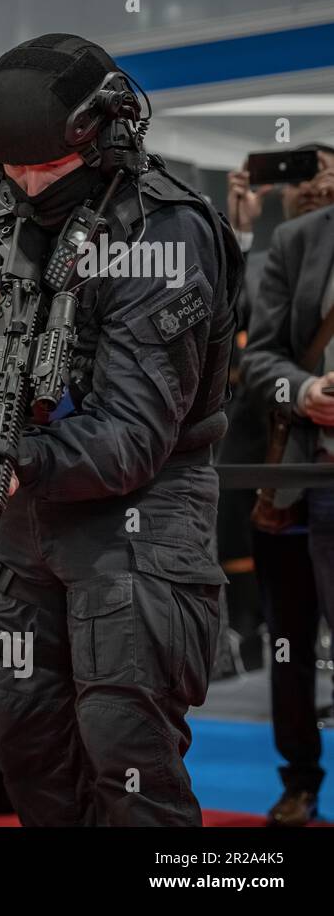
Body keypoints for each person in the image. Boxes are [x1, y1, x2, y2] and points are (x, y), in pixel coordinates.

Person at [0, 33, 242, 826]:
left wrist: (9, 455)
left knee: (126, 752)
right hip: (26, 515)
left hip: (142, 516)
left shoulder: (165, 233)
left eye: (43, 169)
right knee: (26, 744)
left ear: (108, 135)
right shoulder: (3, 184)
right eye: (7, 170)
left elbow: (130, 439)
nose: (23, 186)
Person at [238, 146, 334, 826]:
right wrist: (303, 391)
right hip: (297, 484)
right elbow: (257, 364)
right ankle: (299, 779)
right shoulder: (299, 244)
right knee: (291, 644)